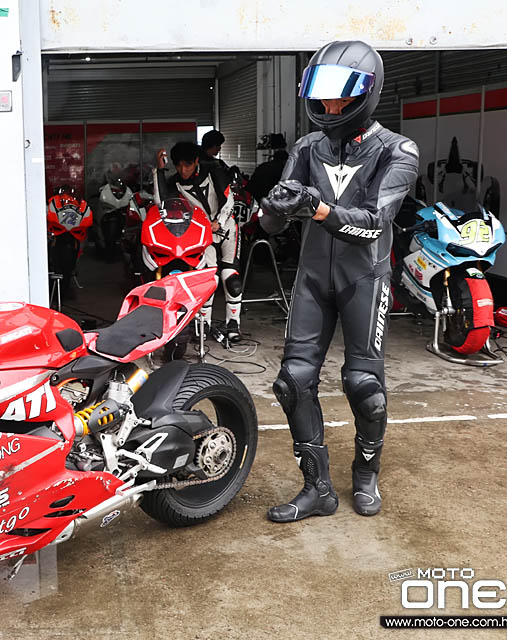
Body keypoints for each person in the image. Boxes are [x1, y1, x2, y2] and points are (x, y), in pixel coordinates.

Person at [259, 41, 418, 522]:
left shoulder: (398, 151)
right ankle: (318, 489)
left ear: (365, 94)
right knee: (293, 382)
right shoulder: (307, 148)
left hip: (365, 278)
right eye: (321, 95)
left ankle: (365, 475)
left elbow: (372, 224)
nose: (329, 107)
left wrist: (316, 207)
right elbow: (271, 224)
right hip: (311, 279)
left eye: (340, 96)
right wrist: (274, 207)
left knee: (363, 384)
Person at [154, 141, 243, 342]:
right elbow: (161, 203)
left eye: (187, 165)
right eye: (178, 166)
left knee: (232, 278)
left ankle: (233, 324)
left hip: (227, 226)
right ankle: (203, 326)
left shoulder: (214, 170)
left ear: (196, 161)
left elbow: (229, 199)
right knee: (207, 279)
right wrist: (159, 171)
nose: (183, 170)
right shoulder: (174, 182)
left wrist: (218, 221)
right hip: (201, 234)